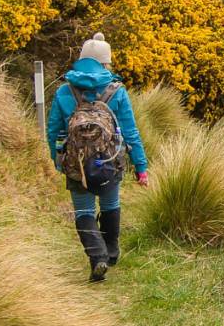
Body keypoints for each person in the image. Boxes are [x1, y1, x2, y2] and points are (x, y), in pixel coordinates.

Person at [46, 33, 149, 282]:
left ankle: (97, 257)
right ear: (106, 63)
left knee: (84, 210)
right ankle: (111, 252)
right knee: (110, 205)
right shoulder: (116, 90)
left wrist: (58, 159)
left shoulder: (64, 90)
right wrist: (141, 167)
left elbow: (53, 131)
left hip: (76, 162)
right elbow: (130, 132)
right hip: (109, 161)